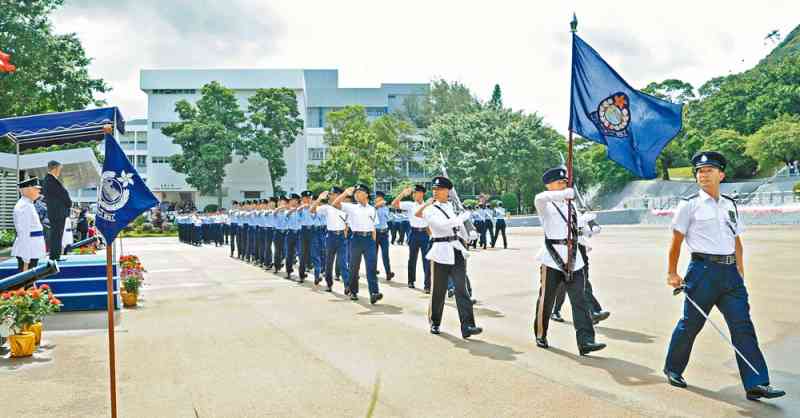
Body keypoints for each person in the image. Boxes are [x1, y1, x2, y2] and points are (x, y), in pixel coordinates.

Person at [664, 151, 785, 401]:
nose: (703, 174)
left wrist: (740, 270)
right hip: (702, 272)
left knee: (743, 326)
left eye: (709, 170)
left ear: (721, 174)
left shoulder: (730, 203)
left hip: (730, 275)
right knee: (691, 325)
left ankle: (757, 383)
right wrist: (672, 272)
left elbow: (736, 239)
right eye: (699, 171)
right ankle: (673, 368)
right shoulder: (689, 205)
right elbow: (676, 242)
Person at [532, 166, 606, 356]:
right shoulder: (545, 204)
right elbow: (539, 198)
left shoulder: (570, 205)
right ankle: (541, 333)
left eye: (565, 182)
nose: (563, 185)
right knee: (546, 299)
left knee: (579, 300)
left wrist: (588, 226)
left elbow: (577, 227)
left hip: (574, 258)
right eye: (559, 183)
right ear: (549, 186)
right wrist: (563, 194)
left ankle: (586, 340)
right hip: (552, 258)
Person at [416, 176, 482, 339]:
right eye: (434, 189)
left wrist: (469, 233)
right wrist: (461, 218)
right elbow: (441, 225)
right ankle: (435, 322)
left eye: (439, 189)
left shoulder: (453, 207)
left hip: (456, 249)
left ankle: (467, 325)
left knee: (461, 289)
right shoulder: (430, 209)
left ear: (448, 191)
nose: (435, 192)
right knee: (438, 290)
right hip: (440, 251)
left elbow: (458, 229)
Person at [550, 213, 611, 325]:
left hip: (581, 251)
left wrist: (592, 225)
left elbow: (591, 232)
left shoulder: (578, 212)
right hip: (567, 251)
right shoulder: (559, 211)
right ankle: (593, 311)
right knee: (572, 285)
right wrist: (581, 221)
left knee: (582, 283)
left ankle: (592, 312)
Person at [332, 184, 382, 304]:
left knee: (371, 267)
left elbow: (374, 227)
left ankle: (374, 293)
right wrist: (345, 193)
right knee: (354, 267)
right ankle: (353, 291)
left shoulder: (372, 209)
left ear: (366, 194)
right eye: (355, 193)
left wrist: (373, 241)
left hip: (369, 239)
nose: (356, 194)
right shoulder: (352, 207)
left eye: (359, 192)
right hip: (356, 239)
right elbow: (335, 204)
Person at [392, 185, 431, 292]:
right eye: (413, 193)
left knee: (426, 260)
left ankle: (427, 285)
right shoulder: (410, 205)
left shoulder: (428, 205)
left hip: (425, 234)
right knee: (412, 258)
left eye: (416, 193)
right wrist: (402, 194)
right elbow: (394, 204)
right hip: (413, 233)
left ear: (422, 193)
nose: (414, 195)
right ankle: (411, 280)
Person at [312, 187, 350, 293]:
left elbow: (347, 224)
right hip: (330, 237)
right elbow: (312, 210)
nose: (330, 196)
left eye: (332, 194)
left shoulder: (345, 208)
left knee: (343, 263)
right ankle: (329, 284)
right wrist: (319, 199)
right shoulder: (326, 208)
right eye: (329, 194)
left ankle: (347, 285)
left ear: (338, 195)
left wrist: (345, 235)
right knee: (329, 263)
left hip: (342, 237)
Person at [12, 178, 47, 272]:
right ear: (27, 189)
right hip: (28, 250)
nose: (39, 191)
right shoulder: (24, 206)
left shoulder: (28, 204)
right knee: (26, 282)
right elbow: (24, 233)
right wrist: (26, 257)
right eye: (36, 189)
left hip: (32, 249)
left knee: (30, 280)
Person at [42, 160, 72, 261]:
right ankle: (55, 257)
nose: (59, 171)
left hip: (56, 212)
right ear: (54, 168)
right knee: (56, 234)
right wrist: (69, 203)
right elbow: (62, 195)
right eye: (59, 169)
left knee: (57, 234)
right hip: (57, 212)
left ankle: (55, 256)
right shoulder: (50, 180)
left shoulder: (50, 180)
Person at [373, 191, 394, 280]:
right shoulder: (372, 208)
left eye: (379, 197)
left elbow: (389, 218)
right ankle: (373, 271)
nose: (376, 199)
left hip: (384, 233)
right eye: (376, 197)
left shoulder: (385, 208)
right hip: (375, 233)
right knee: (374, 254)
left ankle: (388, 273)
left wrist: (384, 208)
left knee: (385, 254)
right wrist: (377, 206)